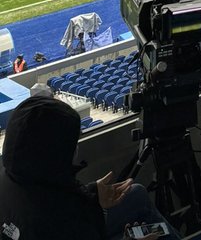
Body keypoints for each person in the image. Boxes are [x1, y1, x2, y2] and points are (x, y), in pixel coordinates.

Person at [0, 95, 175, 239]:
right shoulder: (58, 225)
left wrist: (91, 194)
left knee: (136, 194)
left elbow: (52, 195)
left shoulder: (12, 175)